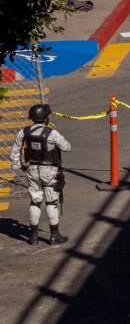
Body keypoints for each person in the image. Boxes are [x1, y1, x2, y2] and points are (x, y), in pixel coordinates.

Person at [9, 104, 72, 246]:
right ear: (45, 117)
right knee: (51, 201)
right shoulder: (51, 133)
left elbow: (14, 151)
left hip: (32, 168)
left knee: (35, 201)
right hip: (49, 170)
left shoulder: (24, 132)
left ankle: (33, 237)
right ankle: (54, 236)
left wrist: (19, 166)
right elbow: (66, 147)